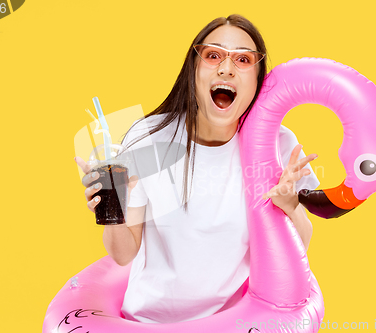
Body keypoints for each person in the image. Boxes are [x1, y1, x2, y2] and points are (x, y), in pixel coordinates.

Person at [74, 14, 319, 324]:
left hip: (236, 323)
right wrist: (112, 207)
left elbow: (301, 247)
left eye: (243, 59)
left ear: (258, 78)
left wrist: (290, 207)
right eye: (213, 55)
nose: (226, 68)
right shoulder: (148, 140)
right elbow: (123, 254)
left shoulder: (277, 145)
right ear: (194, 70)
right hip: (149, 323)